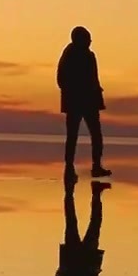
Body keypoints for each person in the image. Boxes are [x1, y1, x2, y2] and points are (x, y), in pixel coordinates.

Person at [55, 172, 106, 276]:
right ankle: (95, 192)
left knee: (77, 221)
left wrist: (63, 268)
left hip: (76, 258)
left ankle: (75, 191)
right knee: (88, 222)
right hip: (82, 259)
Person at [57, 25, 109, 179]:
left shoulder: (90, 56)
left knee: (96, 135)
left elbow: (94, 80)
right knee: (72, 136)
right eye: (87, 38)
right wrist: (73, 92)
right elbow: (61, 79)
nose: (90, 41)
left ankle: (96, 166)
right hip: (75, 103)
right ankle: (69, 169)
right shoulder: (69, 55)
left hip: (90, 103)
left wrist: (98, 98)